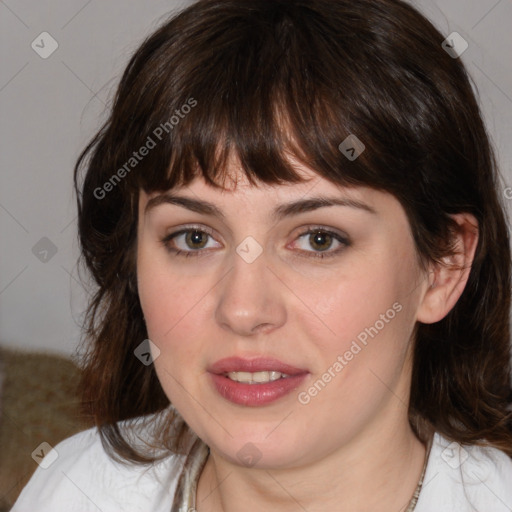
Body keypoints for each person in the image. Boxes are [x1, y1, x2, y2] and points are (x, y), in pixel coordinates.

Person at [12, 0, 512, 510]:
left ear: (443, 267)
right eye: (194, 237)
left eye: (319, 239)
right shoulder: (76, 488)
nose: (243, 310)